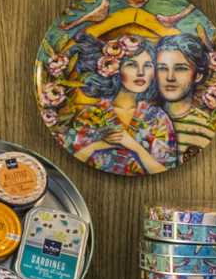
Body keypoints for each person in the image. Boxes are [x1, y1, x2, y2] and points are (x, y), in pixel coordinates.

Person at [66, 34, 177, 175]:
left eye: (148, 66)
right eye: (131, 65)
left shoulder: (158, 118)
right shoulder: (89, 116)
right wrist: (96, 146)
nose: (141, 72)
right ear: (116, 69)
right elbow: (67, 164)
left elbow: (166, 170)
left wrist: (134, 146)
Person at [154, 32, 216, 159]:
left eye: (180, 68)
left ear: (198, 75)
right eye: (162, 68)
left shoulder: (208, 128)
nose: (170, 77)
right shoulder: (143, 121)